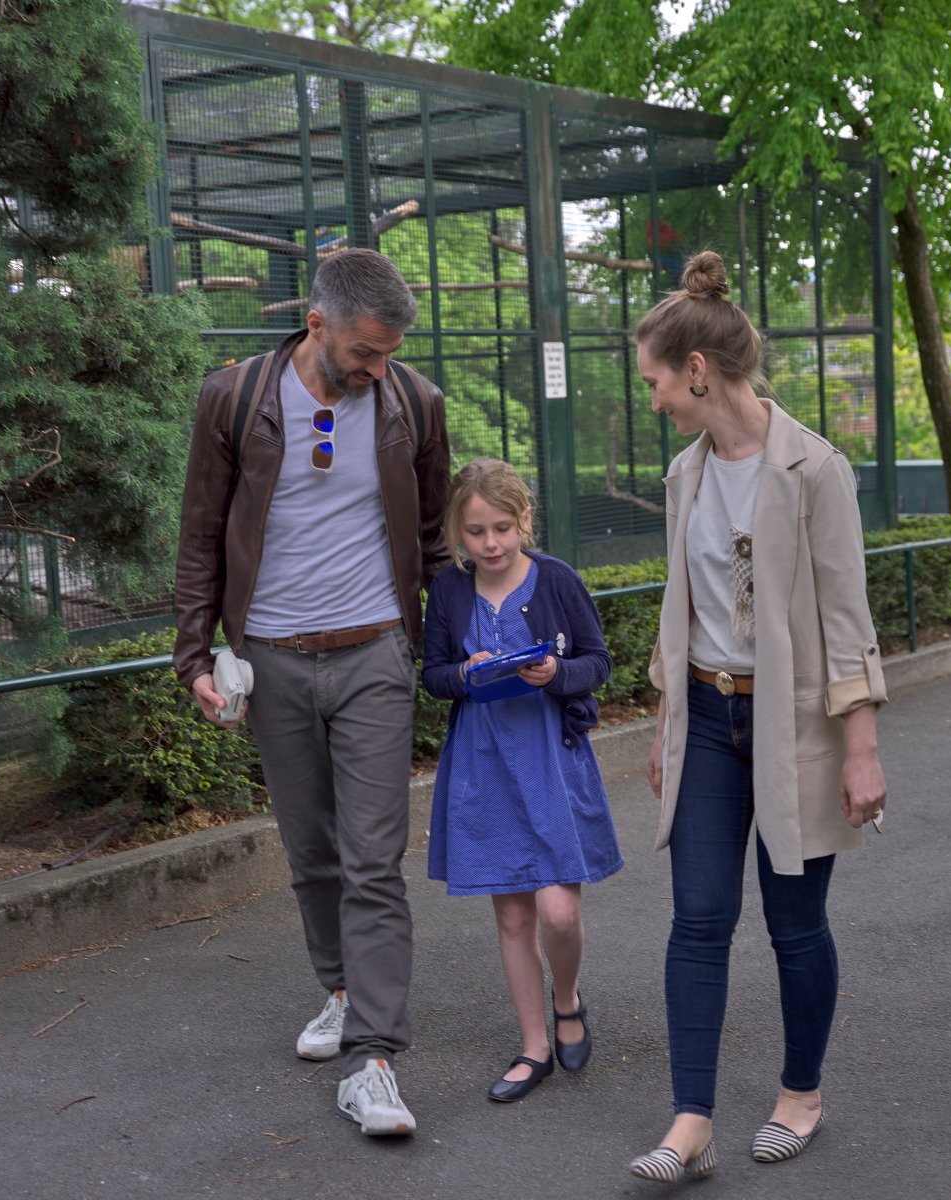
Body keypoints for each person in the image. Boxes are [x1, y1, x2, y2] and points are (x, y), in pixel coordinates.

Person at [172, 248, 452, 1138]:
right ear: (319, 323)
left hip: (375, 651)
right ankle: (337, 989)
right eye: (366, 352)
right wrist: (195, 660)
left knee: (374, 859)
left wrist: (453, 647)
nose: (379, 369)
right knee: (311, 853)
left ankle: (373, 1060)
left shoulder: (414, 404)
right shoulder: (235, 398)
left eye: (390, 353)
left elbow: (438, 539)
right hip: (273, 657)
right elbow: (201, 535)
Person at [629, 251, 888, 1182]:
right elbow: (681, 608)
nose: (653, 397)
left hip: (795, 731)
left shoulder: (815, 470)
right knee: (697, 919)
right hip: (704, 717)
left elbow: (847, 622)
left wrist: (861, 751)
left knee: (793, 925)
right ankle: (690, 1121)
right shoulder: (683, 475)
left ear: (697, 371)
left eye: (657, 380)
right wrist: (666, 723)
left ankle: (800, 1095)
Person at [419, 459, 623, 1103]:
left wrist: (555, 673)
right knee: (512, 915)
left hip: (549, 758)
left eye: (502, 528)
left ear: (524, 521)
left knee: (559, 910)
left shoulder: (557, 579)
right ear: (458, 530)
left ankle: (567, 1000)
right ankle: (534, 1044)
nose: (490, 544)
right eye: (475, 531)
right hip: (483, 764)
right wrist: (466, 672)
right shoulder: (448, 590)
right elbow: (432, 676)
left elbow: (599, 660)